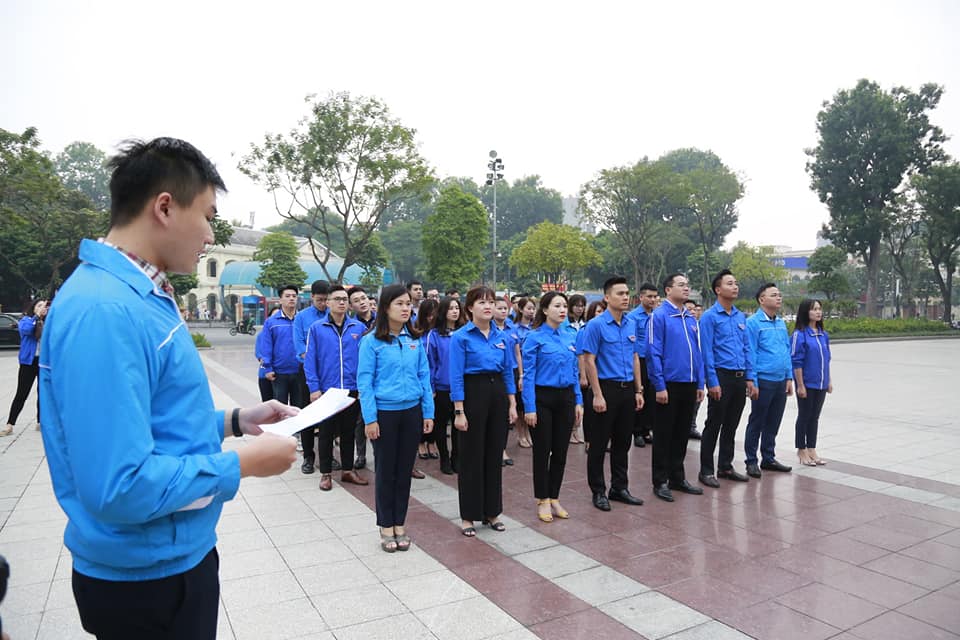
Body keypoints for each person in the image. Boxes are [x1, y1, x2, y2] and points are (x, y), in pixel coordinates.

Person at [38, 137, 298, 639]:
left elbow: (149, 420)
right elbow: (120, 485)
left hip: (172, 554)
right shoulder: (107, 311)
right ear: (164, 207)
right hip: (144, 579)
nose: (208, 235)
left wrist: (233, 422)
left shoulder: (140, 295)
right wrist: (241, 464)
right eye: (207, 216)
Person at [357, 284, 434, 552]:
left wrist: (428, 411)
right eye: (399, 303)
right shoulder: (371, 342)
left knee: (404, 472)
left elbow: (424, 376)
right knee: (386, 471)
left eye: (407, 304)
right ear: (385, 307)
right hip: (385, 414)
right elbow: (364, 383)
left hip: (411, 412)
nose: (405, 308)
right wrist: (370, 419)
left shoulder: (414, 339)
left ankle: (400, 522)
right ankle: (385, 525)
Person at [449, 286, 518, 536]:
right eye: (481, 302)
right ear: (469, 307)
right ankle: (468, 516)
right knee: (471, 456)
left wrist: (512, 403)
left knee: (493, 455)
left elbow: (508, 371)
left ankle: (492, 512)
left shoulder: (503, 337)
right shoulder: (461, 337)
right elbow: (456, 375)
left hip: (497, 393)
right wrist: (459, 410)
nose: (487, 306)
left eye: (491, 302)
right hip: (472, 393)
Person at [580, 277, 644, 511]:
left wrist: (638, 389)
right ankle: (598, 491)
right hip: (604, 389)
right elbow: (589, 360)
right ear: (607, 297)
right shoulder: (596, 325)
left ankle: (620, 487)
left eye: (627, 293)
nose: (625, 297)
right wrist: (597, 394)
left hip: (627, 390)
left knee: (622, 442)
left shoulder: (631, 323)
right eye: (620, 293)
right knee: (598, 444)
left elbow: (635, 357)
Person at [522, 292, 582, 523]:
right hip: (542, 398)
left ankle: (555, 496)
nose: (562, 310)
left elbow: (575, 372)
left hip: (566, 396)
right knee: (542, 450)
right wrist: (529, 407)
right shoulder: (534, 337)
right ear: (545, 310)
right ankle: (542, 498)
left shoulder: (570, 336)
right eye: (557, 306)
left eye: (564, 306)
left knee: (561, 451)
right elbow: (528, 375)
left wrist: (578, 400)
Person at [647, 274, 705, 502]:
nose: (686, 288)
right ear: (668, 290)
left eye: (687, 285)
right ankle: (660, 481)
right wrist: (659, 385)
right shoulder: (659, 316)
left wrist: (700, 383)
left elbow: (697, 353)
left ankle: (677, 477)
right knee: (663, 434)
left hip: (689, 384)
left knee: (682, 433)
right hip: (667, 385)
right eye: (681, 285)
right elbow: (653, 352)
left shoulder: (690, 318)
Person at [304, 284, 368, 490]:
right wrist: (314, 388)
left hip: (352, 389)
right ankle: (325, 473)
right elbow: (310, 361)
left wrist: (362, 388)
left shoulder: (358, 328)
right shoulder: (317, 328)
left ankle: (348, 470)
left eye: (344, 299)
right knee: (326, 433)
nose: (341, 302)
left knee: (349, 432)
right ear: (328, 302)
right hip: (327, 391)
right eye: (337, 299)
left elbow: (366, 361)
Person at [697, 270, 753, 488]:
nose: (735, 287)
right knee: (714, 424)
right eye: (730, 283)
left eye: (736, 283)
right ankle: (706, 470)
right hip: (721, 376)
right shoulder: (710, 317)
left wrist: (750, 377)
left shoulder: (740, 317)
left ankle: (726, 466)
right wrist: (712, 381)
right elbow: (707, 351)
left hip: (739, 378)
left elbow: (746, 348)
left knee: (732, 424)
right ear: (718, 289)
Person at [744, 283, 794, 478]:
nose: (779, 298)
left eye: (779, 295)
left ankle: (768, 457)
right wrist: (752, 380)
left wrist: (789, 377)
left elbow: (786, 350)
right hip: (763, 380)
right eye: (774, 295)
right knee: (757, 421)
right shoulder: (753, 323)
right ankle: (751, 460)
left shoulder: (781, 323)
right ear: (761, 299)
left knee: (773, 421)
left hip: (781, 380)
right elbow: (751, 353)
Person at [293, 280, 331, 472]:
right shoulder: (301, 317)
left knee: (328, 416)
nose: (323, 304)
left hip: (329, 372)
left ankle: (328, 456)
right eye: (319, 300)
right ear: (312, 298)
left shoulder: (334, 316)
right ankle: (308, 456)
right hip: (307, 372)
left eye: (326, 300)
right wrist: (312, 357)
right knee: (307, 414)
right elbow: (299, 346)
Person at [426, 296, 465, 475]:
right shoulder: (434, 335)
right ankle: (444, 457)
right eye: (450, 308)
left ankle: (457, 457)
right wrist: (432, 388)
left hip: (462, 388)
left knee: (459, 425)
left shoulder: (465, 333)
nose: (455, 311)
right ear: (443, 312)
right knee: (441, 425)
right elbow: (430, 363)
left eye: (457, 308)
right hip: (441, 388)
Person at [791, 299, 832, 466]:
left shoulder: (823, 334)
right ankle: (801, 449)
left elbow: (827, 359)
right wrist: (800, 385)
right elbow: (796, 361)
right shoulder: (799, 335)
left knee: (814, 417)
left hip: (821, 383)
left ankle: (812, 448)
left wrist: (828, 380)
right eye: (814, 309)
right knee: (804, 416)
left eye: (819, 309)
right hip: (806, 384)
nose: (818, 312)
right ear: (805, 312)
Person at [3, 299, 47, 436]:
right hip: (28, 362)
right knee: (22, 393)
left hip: (43, 362)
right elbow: (26, 331)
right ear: (33, 308)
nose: (41, 308)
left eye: (44, 306)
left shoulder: (49, 322)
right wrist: (37, 317)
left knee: (43, 393)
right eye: (39, 306)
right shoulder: (26, 320)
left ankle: (40, 422)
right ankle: (10, 424)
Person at [627, 284, 658, 448]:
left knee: (653, 397)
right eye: (649, 296)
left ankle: (647, 430)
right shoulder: (633, 317)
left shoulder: (657, 316)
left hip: (655, 360)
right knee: (640, 394)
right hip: (640, 360)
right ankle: (637, 432)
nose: (653, 300)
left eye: (655, 296)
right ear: (641, 297)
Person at [348, 286, 375, 469]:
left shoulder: (383, 321)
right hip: (360, 379)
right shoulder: (351, 326)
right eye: (356, 300)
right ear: (351, 306)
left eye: (363, 298)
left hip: (380, 377)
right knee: (359, 420)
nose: (362, 302)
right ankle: (361, 455)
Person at [261, 285, 301, 406]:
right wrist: (267, 368)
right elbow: (266, 346)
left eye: (294, 296)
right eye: (287, 296)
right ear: (280, 300)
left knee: (298, 408)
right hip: (279, 373)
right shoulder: (271, 322)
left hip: (300, 372)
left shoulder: (302, 319)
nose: (291, 299)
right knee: (280, 408)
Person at [493, 296, 519, 466]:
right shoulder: (490, 329)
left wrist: (522, 375)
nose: (503, 311)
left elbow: (518, 353)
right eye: (499, 308)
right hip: (496, 373)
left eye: (505, 308)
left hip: (512, 371)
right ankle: (494, 450)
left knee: (505, 415)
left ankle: (502, 449)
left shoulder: (512, 327)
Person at [512, 297, 536, 449]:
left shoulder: (537, 327)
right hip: (521, 369)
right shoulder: (515, 328)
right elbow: (516, 352)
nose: (531, 311)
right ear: (520, 309)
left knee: (530, 404)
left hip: (534, 369)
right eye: (528, 308)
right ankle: (521, 434)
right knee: (520, 405)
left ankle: (529, 433)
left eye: (533, 308)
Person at [684, 299, 704, 441]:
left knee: (696, 401)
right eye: (689, 309)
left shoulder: (698, 326)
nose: (693, 311)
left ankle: (691, 426)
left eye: (695, 309)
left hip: (699, 369)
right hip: (684, 371)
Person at [255, 306, 281, 402]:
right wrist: (269, 368)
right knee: (268, 404)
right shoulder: (262, 335)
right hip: (265, 375)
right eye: (273, 316)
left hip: (282, 375)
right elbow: (260, 355)